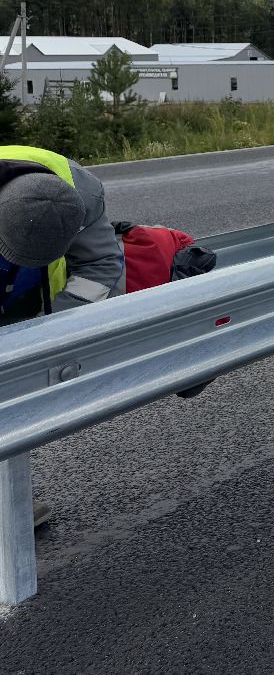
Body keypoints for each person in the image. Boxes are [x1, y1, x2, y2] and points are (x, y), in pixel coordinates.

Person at [0, 145, 127, 529]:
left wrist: (59, 329)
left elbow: (100, 264)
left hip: (28, 296)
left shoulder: (81, 192)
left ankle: (9, 497)